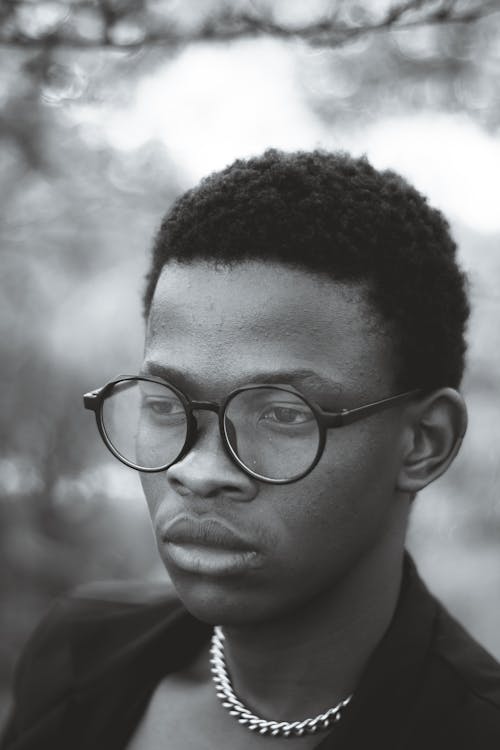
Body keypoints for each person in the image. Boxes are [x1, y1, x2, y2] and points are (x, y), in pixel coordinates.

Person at [2, 149, 500, 750]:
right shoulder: (81, 654)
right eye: (165, 405)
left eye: (283, 414)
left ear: (425, 442)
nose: (198, 471)